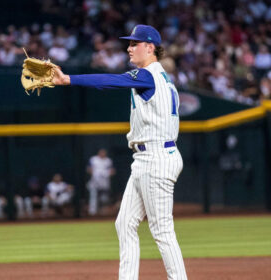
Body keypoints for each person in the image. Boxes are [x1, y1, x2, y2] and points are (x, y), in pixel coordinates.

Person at [51, 25, 187, 280]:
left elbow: (111, 81)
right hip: (147, 157)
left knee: (162, 230)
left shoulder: (148, 76)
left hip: (156, 157)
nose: (129, 48)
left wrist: (69, 79)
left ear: (150, 48)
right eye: (130, 43)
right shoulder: (164, 80)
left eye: (134, 44)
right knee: (124, 224)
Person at [86, 148, 115, 216]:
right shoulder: (94, 159)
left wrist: (106, 174)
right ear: (98, 153)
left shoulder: (108, 161)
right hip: (95, 180)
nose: (102, 154)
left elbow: (113, 171)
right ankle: (92, 212)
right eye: (101, 153)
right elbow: (88, 169)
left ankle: (103, 213)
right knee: (93, 196)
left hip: (104, 181)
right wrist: (95, 174)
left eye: (104, 153)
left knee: (104, 198)